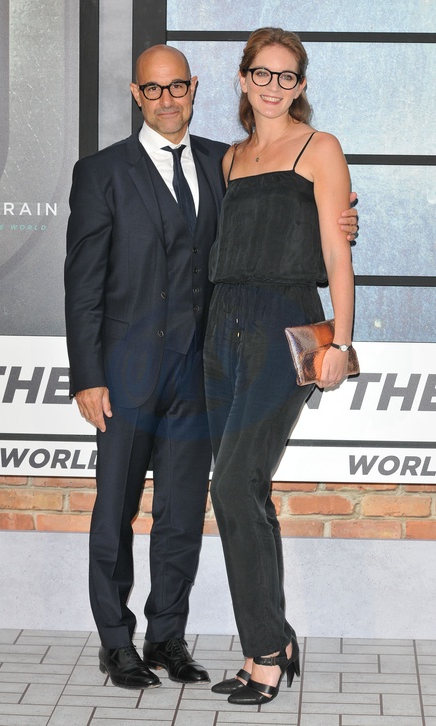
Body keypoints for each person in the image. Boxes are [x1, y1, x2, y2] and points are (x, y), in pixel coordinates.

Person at [64, 43, 359, 692]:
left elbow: (304, 229)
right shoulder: (122, 169)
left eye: (177, 86)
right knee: (129, 510)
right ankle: (125, 644)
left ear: (195, 87)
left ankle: (192, 643)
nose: (166, 99)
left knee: (202, 502)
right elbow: (86, 282)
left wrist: (341, 219)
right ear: (137, 95)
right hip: (147, 366)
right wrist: (87, 373)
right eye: (152, 88)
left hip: (229, 354)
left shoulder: (233, 157)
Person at [204, 28, 355, 706]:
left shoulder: (319, 149)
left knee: (235, 484)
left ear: (301, 85)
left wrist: (340, 344)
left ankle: (268, 649)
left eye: (286, 76)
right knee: (243, 489)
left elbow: (337, 253)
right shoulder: (229, 159)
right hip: (222, 327)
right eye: (261, 73)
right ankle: (266, 642)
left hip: (284, 324)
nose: (273, 86)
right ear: (243, 79)